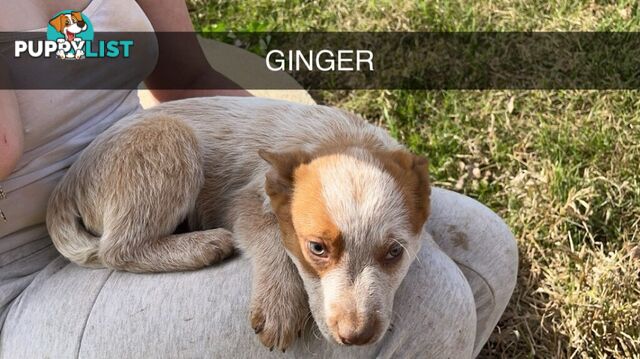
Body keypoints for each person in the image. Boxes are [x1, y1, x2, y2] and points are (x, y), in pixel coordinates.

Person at [0, 0, 518, 357]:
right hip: (25, 273)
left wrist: (308, 170)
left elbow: (192, 79)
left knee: (483, 250)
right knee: (428, 306)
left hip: (148, 180)